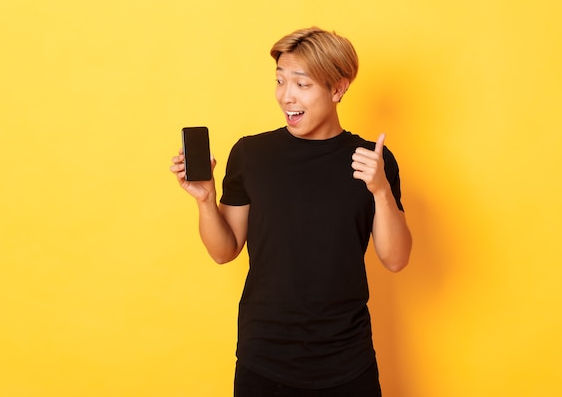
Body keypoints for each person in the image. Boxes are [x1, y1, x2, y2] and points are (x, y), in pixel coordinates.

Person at [170, 27, 412, 397]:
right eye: (280, 81)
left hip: (347, 360)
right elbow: (224, 250)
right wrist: (205, 199)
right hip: (263, 358)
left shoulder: (373, 161)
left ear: (338, 89)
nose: (286, 96)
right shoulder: (252, 155)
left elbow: (395, 259)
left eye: (302, 84)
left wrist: (380, 190)